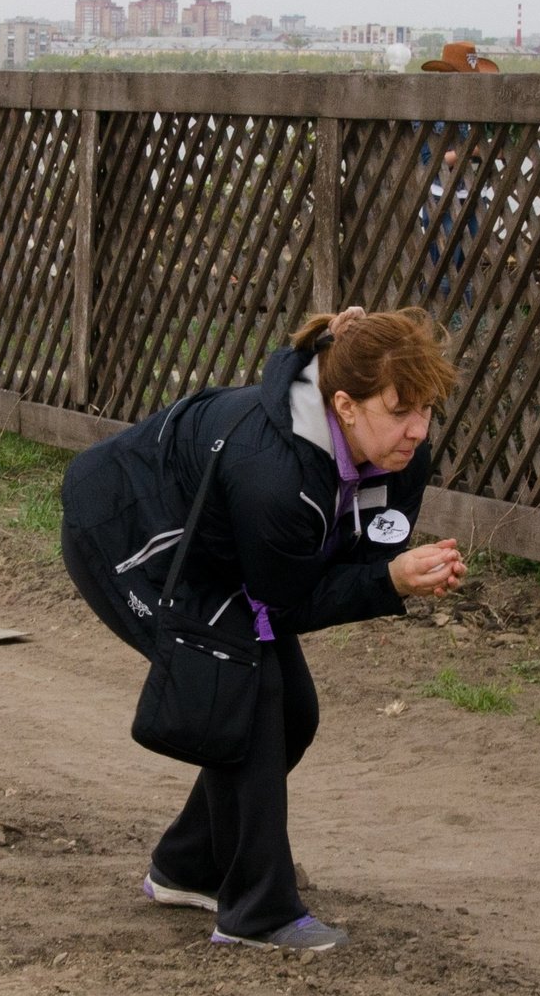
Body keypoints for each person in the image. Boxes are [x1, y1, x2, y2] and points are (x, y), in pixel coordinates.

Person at [58, 306, 468, 952]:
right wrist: (388, 582)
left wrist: (388, 568)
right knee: (247, 704)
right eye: (400, 411)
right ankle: (257, 911)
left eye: (426, 410)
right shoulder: (271, 473)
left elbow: (362, 544)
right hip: (133, 537)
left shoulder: (397, 451)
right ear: (346, 405)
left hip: (226, 553)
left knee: (293, 715)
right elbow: (288, 602)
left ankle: (187, 867)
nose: (418, 430)